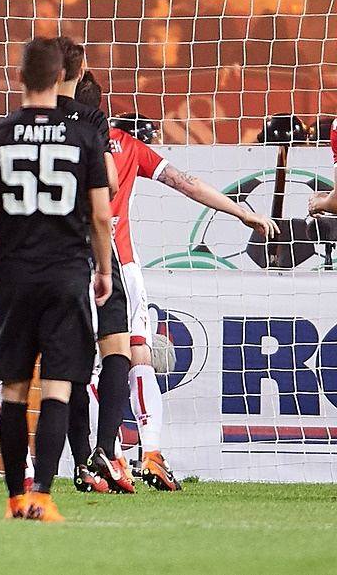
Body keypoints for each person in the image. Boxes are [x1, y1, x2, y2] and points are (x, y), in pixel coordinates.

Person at [0, 37, 114, 522]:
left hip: (12, 274)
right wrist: (104, 269)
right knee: (58, 387)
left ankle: (14, 498)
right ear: (60, 79)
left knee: (12, 387)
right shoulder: (85, 137)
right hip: (66, 274)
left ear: (19, 77)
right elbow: (101, 215)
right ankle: (43, 495)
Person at [101, 107, 275, 490]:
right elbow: (186, 182)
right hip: (116, 263)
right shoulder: (126, 145)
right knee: (137, 356)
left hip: (62, 266)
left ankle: (104, 456)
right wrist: (240, 213)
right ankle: (150, 454)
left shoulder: (60, 143)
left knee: (83, 368)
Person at [52, 42, 133, 495]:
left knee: (71, 360)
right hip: (87, 244)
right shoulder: (89, 118)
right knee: (115, 345)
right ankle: (105, 449)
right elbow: (112, 183)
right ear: (81, 70)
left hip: (47, 252)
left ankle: (82, 462)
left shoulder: (27, 120)